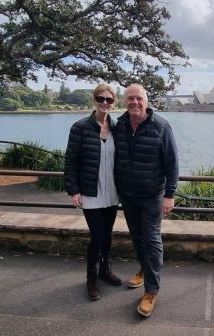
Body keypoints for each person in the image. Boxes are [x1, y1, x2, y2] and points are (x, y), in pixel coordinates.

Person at [114, 84, 179, 317]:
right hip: (128, 196)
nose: (134, 102)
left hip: (152, 196)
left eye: (138, 98)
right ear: (125, 101)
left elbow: (172, 163)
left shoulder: (161, 126)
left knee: (151, 239)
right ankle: (143, 270)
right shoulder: (119, 125)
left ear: (146, 101)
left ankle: (151, 291)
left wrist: (169, 195)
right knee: (137, 237)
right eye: (130, 98)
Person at [64, 84, 122, 301]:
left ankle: (105, 270)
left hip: (112, 193)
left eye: (109, 99)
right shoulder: (80, 127)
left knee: (107, 235)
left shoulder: (117, 127)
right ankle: (91, 277)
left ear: (115, 102)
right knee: (97, 236)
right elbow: (71, 161)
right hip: (90, 192)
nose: (105, 103)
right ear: (94, 100)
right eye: (101, 98)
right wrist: (74, 190)